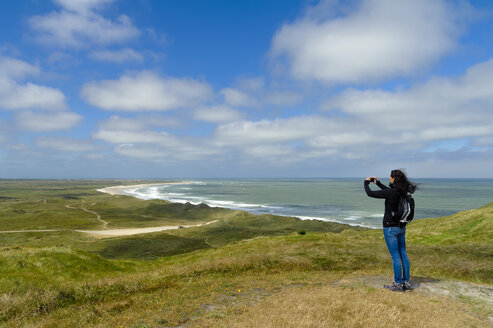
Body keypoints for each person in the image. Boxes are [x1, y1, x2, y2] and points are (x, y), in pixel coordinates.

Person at [364, 169, 417, 292]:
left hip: (390, 228)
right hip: (401, 227)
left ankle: (397, 284)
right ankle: (405, 282)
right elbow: (387, 191)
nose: (389, 178)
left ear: (393, 178)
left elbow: (370, 193)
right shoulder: (402, 192)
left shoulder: (391, 193)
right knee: (403, 254)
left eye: (390, 176)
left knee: (395, 256)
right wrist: (378, 183)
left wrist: (366, 183)